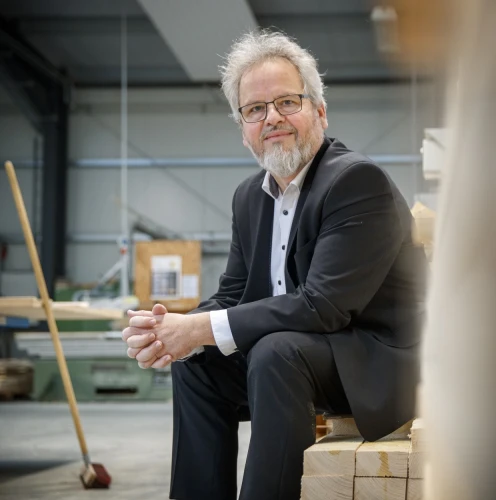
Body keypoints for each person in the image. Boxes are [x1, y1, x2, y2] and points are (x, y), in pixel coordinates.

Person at [122, 30, 428, 500]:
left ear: (319, 111)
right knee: (196, 363)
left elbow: (325, 306)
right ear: (243, 129)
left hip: (376, 362)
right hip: (301, 359)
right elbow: (234, 294)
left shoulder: (355, 182)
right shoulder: (249, 196)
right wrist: (174, 331)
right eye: (255, 109)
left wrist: (202, 327)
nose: (272, 118)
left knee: (274, 351)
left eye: (287, 102)